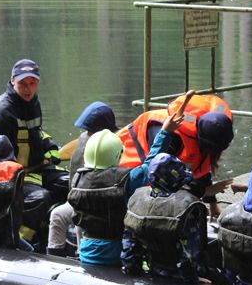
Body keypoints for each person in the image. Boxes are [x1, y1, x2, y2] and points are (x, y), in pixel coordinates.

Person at [0, 58, 70, 249]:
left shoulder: (32, 102)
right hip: (10, 177)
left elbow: (36, 132)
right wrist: (8, 174)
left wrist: (49, 145)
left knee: (72, 184)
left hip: (37, 168)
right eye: (23, 84)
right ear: (12, 80)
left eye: (32, 84)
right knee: (40, 198)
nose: (28, 89)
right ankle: (19, 243)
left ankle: (58, 234)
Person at [72, 113, 183, 266]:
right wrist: (165, 132)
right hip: (117, 254)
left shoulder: (78, 179)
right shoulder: (127, 180)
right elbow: (150, 164)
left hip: (86, 252)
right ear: (118, 155)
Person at [117, 93, 234, 216]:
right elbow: (163, 181)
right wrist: (206, 191)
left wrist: (213, 205)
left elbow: (201, 167)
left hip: (153, 167)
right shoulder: (173, 139)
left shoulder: (206, 132)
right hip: (128, 166)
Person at [122, 153, 211, 285]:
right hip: (181, 277)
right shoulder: (184, 209)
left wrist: (134, 270)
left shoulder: (137, 201)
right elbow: (190, 253)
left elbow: (129, 246)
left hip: (153, 268)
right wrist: (193, 279)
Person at [47, 101, 118, 257]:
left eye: (90, 131)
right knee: (57, 214)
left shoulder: (116, 144)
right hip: (80, 201)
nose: (87, 134)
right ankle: (54, 259)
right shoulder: (83, 140)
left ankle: (82, 258)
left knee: (82, 219)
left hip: (102, 206)